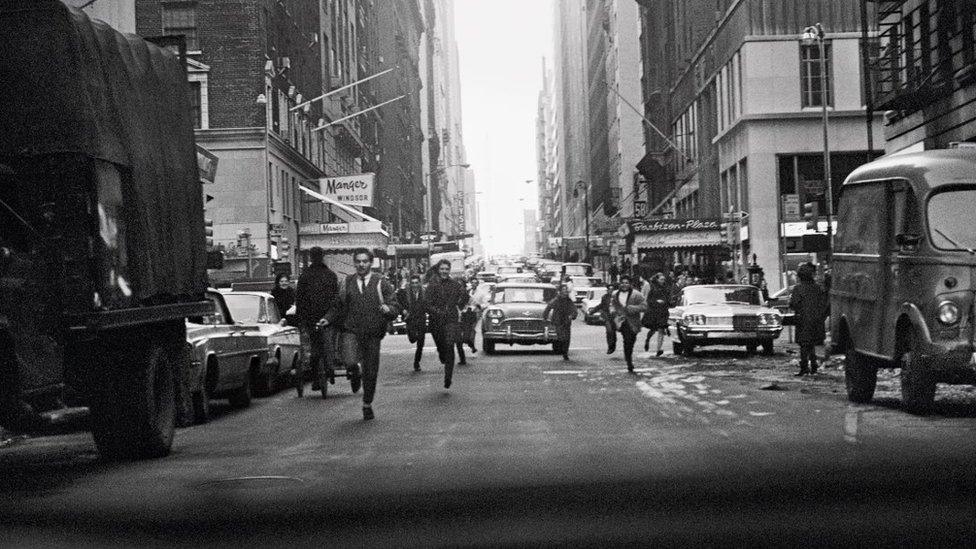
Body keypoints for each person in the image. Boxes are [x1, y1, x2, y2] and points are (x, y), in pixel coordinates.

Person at [337, 248, 400, 420]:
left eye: (364, 261)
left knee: (371, 371)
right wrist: (327, 319)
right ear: (354, 263)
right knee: (349, 359)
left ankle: (367, 404)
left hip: (373, 333)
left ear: (371, 263)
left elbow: (395, 306)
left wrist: (389, 309)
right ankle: (353, 370)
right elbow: (338, 305)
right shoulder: (347, 282)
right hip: (352, 330)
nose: (361, 264)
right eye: (358, 261)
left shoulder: (381, 283)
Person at [294, 247, 339, 392]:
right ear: (322, 257)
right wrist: (332, 315)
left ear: (311, 258)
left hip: (310, 319)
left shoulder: (304, 276)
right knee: (328, 345)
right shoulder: (331, 275)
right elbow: (335, 299)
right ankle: (329, 369)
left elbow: (299, 300)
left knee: (313, 348)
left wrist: (301, 318)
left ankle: (315, 377)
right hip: (327, 317)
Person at [425, 259, 469, 389]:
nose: (444, 271)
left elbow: (464, 297)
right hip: (436, 321)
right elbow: (426, 303)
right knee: (442, 347)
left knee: (450, 346)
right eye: (442, 269)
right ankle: (441, 353)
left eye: (446, 269)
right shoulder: (432, 285)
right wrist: (437, 312)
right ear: (438, 270)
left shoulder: (455, 284)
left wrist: (460, 304)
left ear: (449, 270)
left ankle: (448, 377)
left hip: (451, 320)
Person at [788, 263, 829, 376]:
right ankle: (814, 366)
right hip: (816, 321)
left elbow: (794, 304)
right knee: (811, 344)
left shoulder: (798, 288)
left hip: (803, 320)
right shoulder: (817, 288)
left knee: (804, 345)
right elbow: (824, 304)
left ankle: (804, 367)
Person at [610, 275, 647, 372]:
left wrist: (633, 308)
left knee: (631, 340)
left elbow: (645, 306)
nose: (624, 285)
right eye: (622, 283)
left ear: (630, 284)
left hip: (633, 322)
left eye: (626, 283)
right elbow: (612, 305)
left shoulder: (637, 294)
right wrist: (613, 311)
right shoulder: (615, 294)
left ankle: (628, 356)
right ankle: (629, 361)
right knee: (627, 339)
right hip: (622, 322)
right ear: (620, 283)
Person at [396, 274, 428, 372]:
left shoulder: (424, 292)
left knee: (420, 344)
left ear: (419, 283)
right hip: (411, 320)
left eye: (416, 283)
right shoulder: (405, 292)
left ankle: (416, 363)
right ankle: (413, 336)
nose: (414, 285)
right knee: (413, 339)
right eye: (413, 283)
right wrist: (403, 310)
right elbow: (397, 302)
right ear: (410, 284)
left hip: (421, 319)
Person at [544, 284, 578, 360]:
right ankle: (562, 349)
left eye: (566, 290)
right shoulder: (556, 300)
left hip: (566, 321)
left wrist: (572, 316)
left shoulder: (569, 300)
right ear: (560, 291)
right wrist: (545, 317)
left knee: (567, 338)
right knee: (561, 337)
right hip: (558, 321)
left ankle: (565, 353)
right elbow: (548, 307)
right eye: (563, 290)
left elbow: (574, 310)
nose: (565, 292)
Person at [642, 272, 670, 356]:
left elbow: (668, 298)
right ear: (657, 279)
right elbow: (648, 300)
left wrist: (666, 302)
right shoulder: (652, 288)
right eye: (661, 279)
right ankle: (647, 340)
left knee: (661, 329)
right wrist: (656, 301)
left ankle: (659, 349)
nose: (663, 281)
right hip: (654, 311)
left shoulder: (665, 288)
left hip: (663, 311)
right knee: (653, 329)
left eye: (664, 279)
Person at [595, 283, 618, 354]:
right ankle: (610, 347)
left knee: (613, 332)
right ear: (607, 290)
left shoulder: (617, 297)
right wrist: (593, 311)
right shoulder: (604, 297)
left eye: (612, 289)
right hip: (607, 317)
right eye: (609, 289)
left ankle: (613, 346)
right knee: (609, 331)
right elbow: (601, 305)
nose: (610, 291)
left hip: (615, 317)